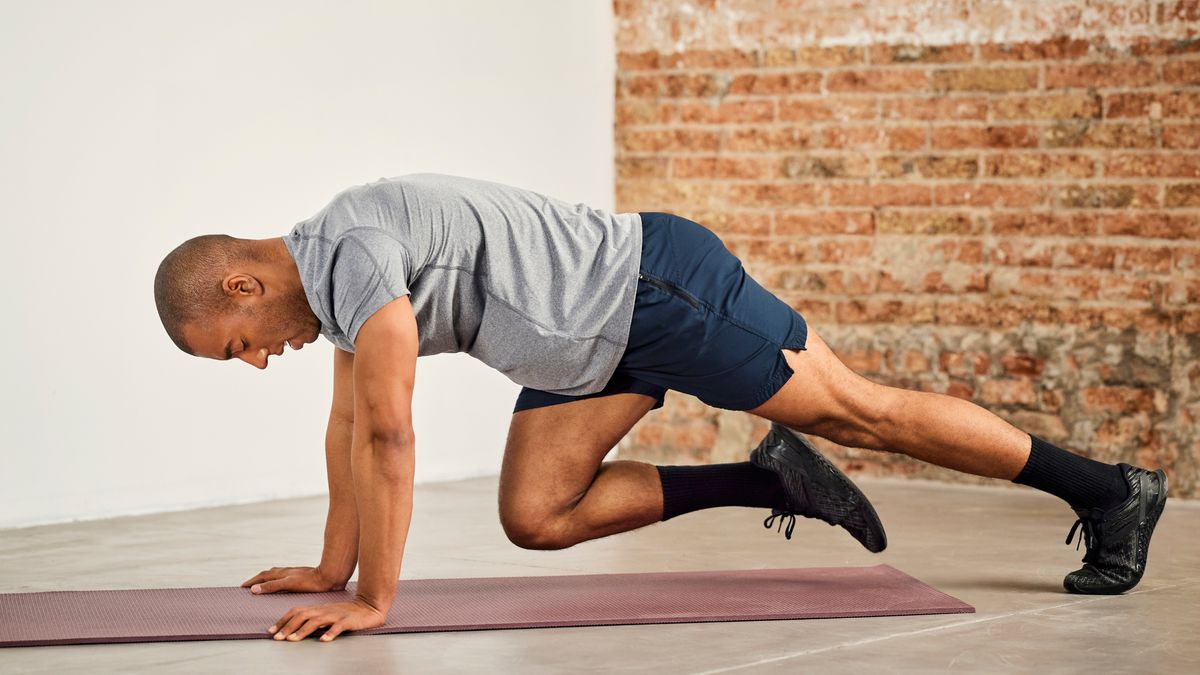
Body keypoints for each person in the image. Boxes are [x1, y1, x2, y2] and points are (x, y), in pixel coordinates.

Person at [153, 173, 1168, 643]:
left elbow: (389, 432)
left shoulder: (357, 250)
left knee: (862, 412)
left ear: (242, 288)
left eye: (237, 348)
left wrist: (376, 597)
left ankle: (1112, 490)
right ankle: (766, 476)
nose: (255, 362)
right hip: (583, 339)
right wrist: (334, 568)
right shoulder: (334, 279)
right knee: (536, 516)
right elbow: (347, 429)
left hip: (652, 289)